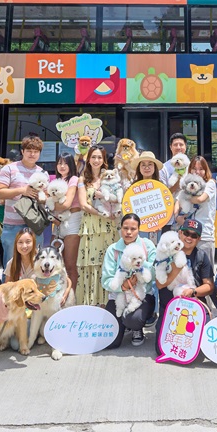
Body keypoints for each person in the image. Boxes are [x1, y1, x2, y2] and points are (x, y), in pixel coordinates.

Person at [154, 217, 215, 353]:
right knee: (162, 349)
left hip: (194, 305)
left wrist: (193, 292)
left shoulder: (201, 256)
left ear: (199, 239)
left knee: (202, 344)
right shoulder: (165, 253)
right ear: (180, 233)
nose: (189, 238)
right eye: (186, 233)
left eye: (194, 236)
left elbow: (209, 286)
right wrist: (176, 270)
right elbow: (159, 284)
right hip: (170, 306)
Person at [102, 213, 157, 347]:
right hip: (118, 295)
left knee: (134, 319)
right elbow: (106, 280)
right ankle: (123, 324)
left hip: (142, 295)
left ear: (139, 229)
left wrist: (140, 265)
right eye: (125, 228)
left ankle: (136, 327)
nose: (128, 232)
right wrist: (124, 286)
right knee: (110, 343)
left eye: (133, 229)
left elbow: (154, 274)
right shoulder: (113, 250)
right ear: (120, 228)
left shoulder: (147, 245)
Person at [0, 135, 45, 263]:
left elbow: (46, 197)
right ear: (22, 151)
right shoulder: (9, 168)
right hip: (13, 225)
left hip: (35, 225)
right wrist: (22, 190)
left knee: (35, 264)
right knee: (12, 265)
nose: (32, 154)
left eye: (36, 151)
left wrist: (42, 197)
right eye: (29, 151)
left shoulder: (42, 172)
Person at [76, 145, 116, 307]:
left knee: (108, 263)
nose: (96, 160)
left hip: (109, 226)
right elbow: (83, 204)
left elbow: (118, 197)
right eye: (93, 157)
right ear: (88, 159)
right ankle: (90, 305)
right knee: (90, 264)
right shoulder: (82, 180)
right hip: (91, 225)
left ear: (104, 160)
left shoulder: (110, 177)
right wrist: (101, 214)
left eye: (100, 157)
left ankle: (107, 304)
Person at [174, 155, 217, 266]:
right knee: (186, 269)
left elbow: (200, 199)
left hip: (204, 234)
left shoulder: (210, 184)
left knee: (206, 270)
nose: (197, 172)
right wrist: (177, 217)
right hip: (187, 234)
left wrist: (185, 195)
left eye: (201, 169)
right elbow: (177, 202)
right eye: (194, 168)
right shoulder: (187, 185)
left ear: (206, 170)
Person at [52, 152, 84, 292]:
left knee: (70, 265)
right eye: (59, 163)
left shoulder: (74, 179)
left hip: (73, 221)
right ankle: (59, 295)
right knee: (57, 263)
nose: (62, 166)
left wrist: (47, 205)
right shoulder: (55, 181)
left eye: (65, 163)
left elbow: (67, 204)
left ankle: (71, 296)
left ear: (71, 165)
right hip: (58, 223)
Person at [159, 133, 188, 227]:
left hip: (189, 215)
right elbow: (163, 193)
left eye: (181, 144)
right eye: (175, 145)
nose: (178, 147)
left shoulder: (192, 166)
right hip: (169, 218)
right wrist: (177, 183)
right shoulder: (163, 168)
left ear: (185, 147)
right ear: (170, 147)